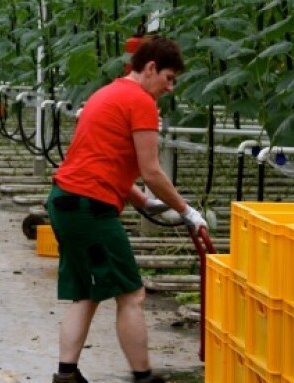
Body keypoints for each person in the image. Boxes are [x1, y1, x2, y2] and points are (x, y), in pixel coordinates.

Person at [46, 36, 206, 383]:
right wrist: (186, 210)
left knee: (86, 292)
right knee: (131, 293)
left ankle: (66, 375)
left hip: (66, 200)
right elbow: (151, 170)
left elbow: (100, 159)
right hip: (89, 207)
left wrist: (142, 201)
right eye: (168, 78)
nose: (170, 87)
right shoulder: (140, 101)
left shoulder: (108, 93)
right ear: (150, 68)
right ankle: (143, 376)